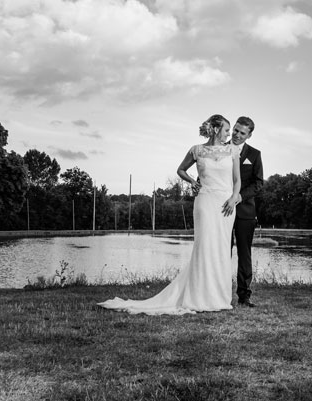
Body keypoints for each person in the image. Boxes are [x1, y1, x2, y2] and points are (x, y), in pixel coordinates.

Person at [98, 114, 241, 315]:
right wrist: (193, 182)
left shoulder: (232, 151)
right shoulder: (197, 150)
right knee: (204, 247)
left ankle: (220, 297)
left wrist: (234, 198)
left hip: (226, 205)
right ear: (217, 129)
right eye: (227, 130)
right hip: (205, 202)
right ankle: (200, 296)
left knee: (221, 249)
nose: (229, 134)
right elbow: (180, 170)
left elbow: (237, 181)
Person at [223, 116, 263, 307]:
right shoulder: (220, 148)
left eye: (242, 133)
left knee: (244, 253)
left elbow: (258, 184)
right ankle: (219, 291)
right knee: (222, 251)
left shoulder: (254, 154)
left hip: (245, 210)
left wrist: (239, 196)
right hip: (221, 209)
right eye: (236, 130)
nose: (237, 135)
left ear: (250, 135)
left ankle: (244, 295)